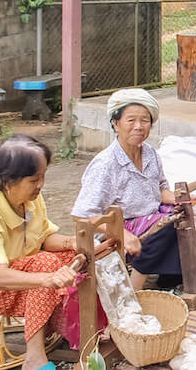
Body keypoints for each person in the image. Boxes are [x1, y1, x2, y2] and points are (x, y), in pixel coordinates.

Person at [0, 135, 81, 370]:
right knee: (47, 265)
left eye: (43, 177)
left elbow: (44, 239)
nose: (40, 184)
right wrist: (48, 278)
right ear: (8, 181)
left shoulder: (31, 201)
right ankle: (34, 357)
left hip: (19, 266)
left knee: (72, 259)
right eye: (34, 179)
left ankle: (64, 324)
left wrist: (74, 242)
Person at [72, 89, 180, 290]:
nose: (139, 127)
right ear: (116, 123)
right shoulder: (105, 164)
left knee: (189, 216)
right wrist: (121, 233)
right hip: (117, 229)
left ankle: (170, 280)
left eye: (145, 121)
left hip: (150, 218)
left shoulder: (151, 154)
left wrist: (184, 201)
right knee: (168, 225)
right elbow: (82, 215)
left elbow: (161, 190)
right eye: (131, 121)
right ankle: (135, 288)